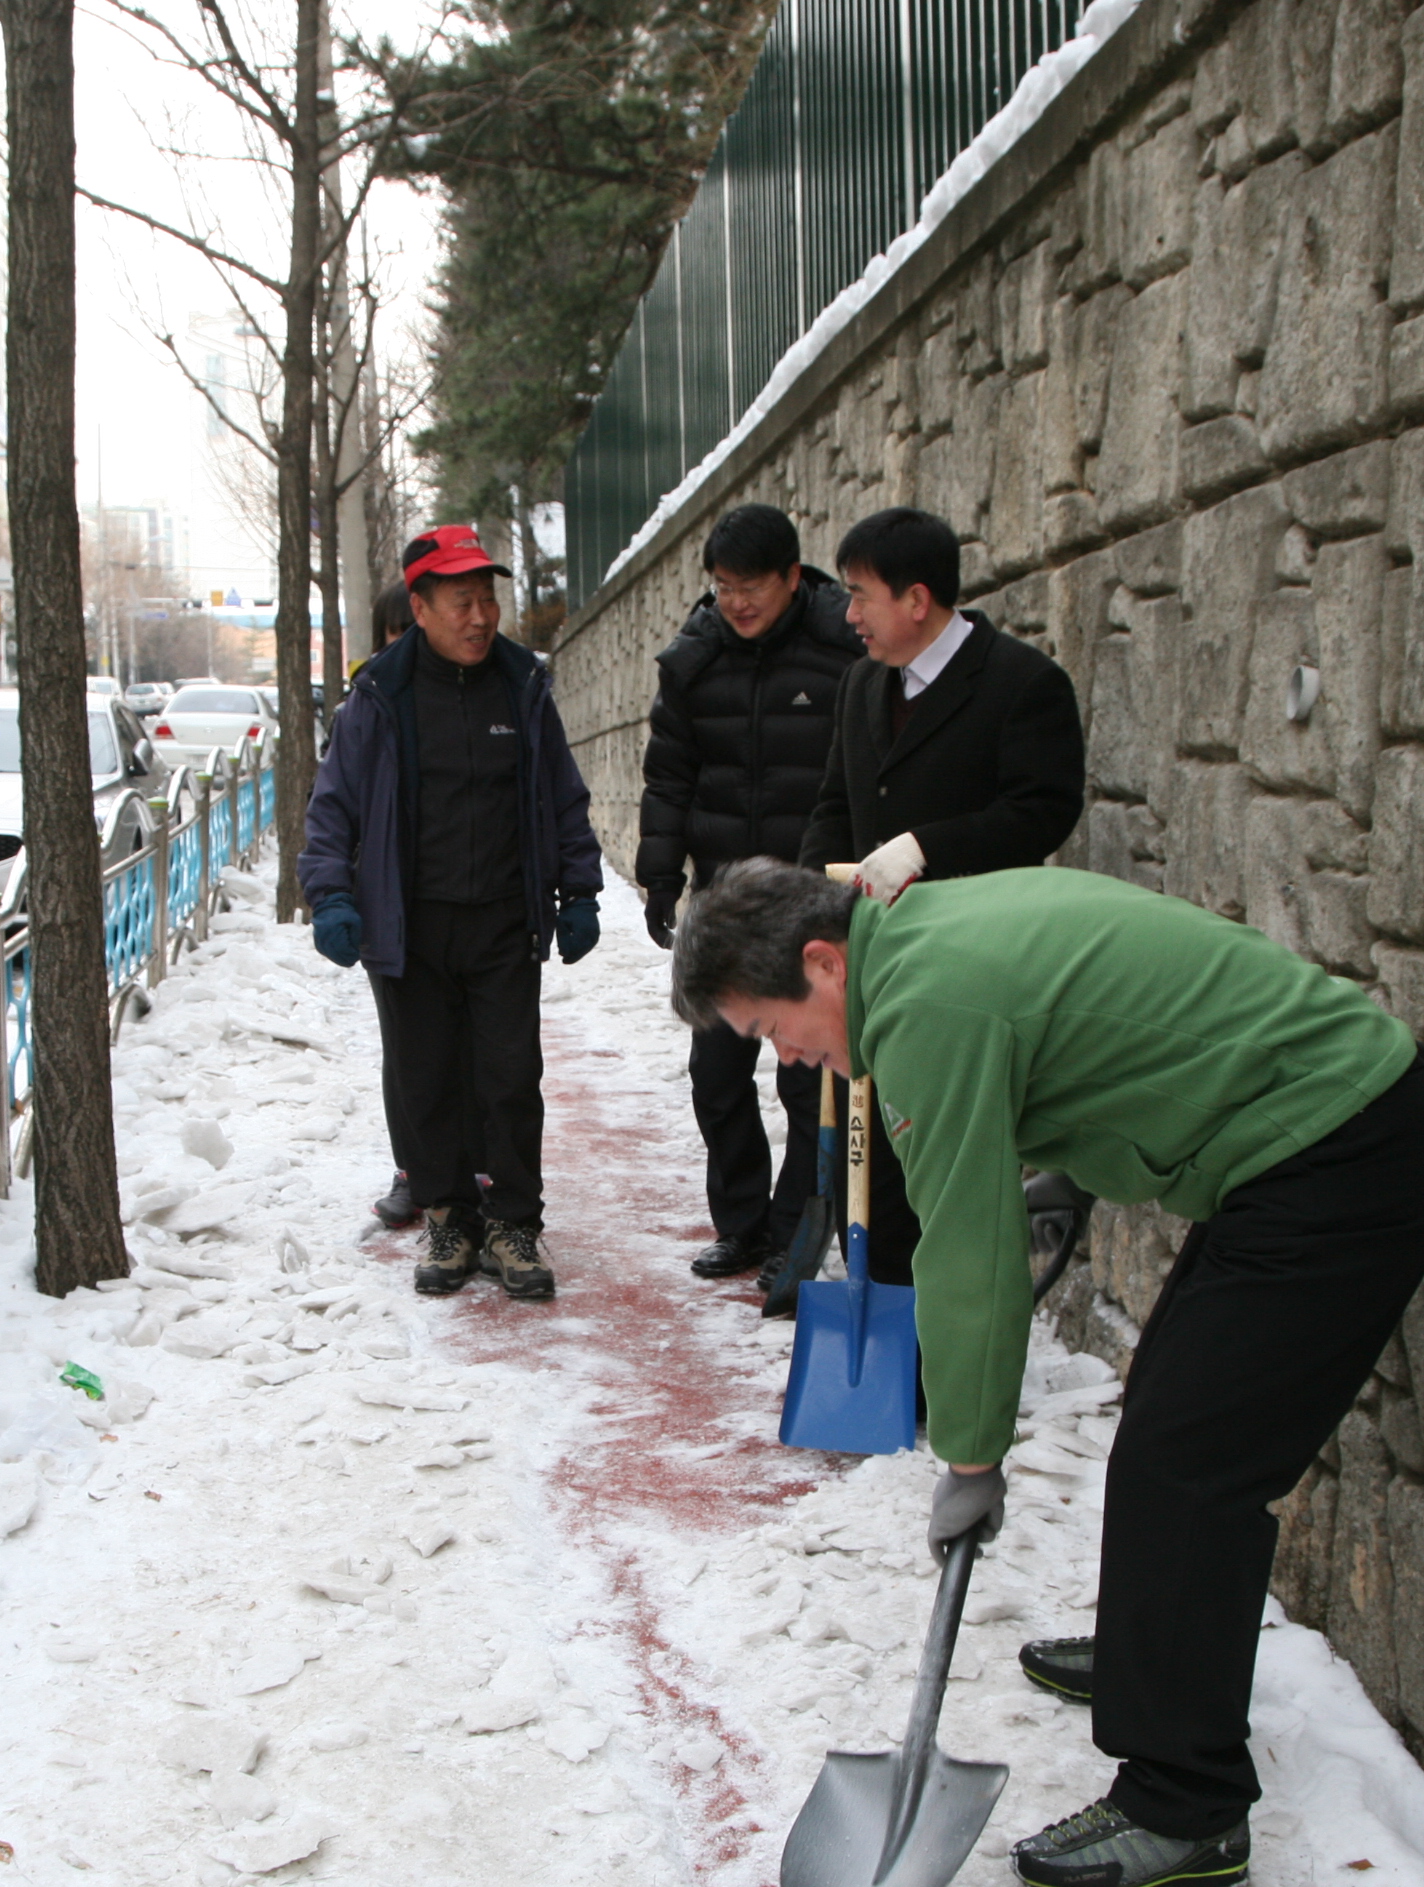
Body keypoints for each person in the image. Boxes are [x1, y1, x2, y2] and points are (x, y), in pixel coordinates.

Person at [671, 858, 1424, 1887]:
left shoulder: (924, 1004)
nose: (788, 1055)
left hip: (1339, 1149)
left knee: (1189, 1463)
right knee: (1169, 1422)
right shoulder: (914, 943)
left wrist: (970, 1457)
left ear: (823, 964)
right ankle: (1157, 1657)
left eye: (773, 1028)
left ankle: (1187, 1806)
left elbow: (969, 1251)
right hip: (1305, 1134)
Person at [302, 527, 606, 1300]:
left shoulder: (521, 685)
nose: (480, 617)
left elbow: (563, 796)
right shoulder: (380, 697)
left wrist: (579, 891)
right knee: (425, 1080)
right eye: (462, 601)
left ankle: (514, 1224)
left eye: (487, 599)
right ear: (421, 608)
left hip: (505, 919)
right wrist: (331, 896)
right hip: (410, 925)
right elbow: (333, 807)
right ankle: (447, 1217)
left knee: (510, 1076)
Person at [798, 505, 1084, 1296]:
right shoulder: (862, 684)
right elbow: (835, 803)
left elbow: (1043, 810)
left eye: (861, 596)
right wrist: (815, 895)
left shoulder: (1022, 684)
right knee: (873, 1176)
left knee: (947, 1172)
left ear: (917, 599)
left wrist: (928, 847)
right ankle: (893, 1334)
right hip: (875, 965)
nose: (849, 615)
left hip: (970, 974)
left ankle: (952, 1330)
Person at [637, 504, 861, 1312]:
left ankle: (796, 1233)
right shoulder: (695, 662)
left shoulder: (843, 649)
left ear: (792, 578)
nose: (736, 602)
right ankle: (741, 1221)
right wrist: (661, 877)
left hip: (812, 904)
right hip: (727, 901)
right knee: (717, 1072)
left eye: (752, 586)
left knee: (808, 1082)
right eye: (724, 587)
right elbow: (669, 775)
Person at [357, 579, 431, 1231]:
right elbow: (333, 809)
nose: (408, 643)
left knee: (473, 1050)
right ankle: (412, 1170)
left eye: (417, 627)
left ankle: (476, 1168)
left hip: (466, 902)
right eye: (396, 631)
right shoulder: (364, 707)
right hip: (390, 911)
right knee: (405, 1049)